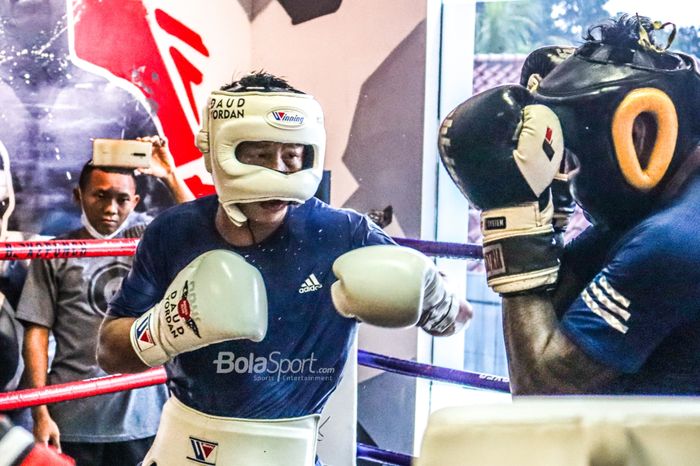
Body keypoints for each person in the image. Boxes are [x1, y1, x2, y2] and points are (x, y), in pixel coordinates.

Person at [96, 71, 472, 466]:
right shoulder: (175, 231)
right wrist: (168, 326)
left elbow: (458, 317)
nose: (278, 173)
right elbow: (109, 352)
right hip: (181, 451)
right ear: (218, 152)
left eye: (292, 157)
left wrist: (428, 291)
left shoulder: (343, 233)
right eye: (257, 155)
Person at [437, 14, 700, 395]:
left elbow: (541, 394)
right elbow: (560, 313)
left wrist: (512, 217)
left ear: (638, 132)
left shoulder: (674, 240)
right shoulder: (660, 205)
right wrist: (544, 214)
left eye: (571, 159)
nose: (563, 174)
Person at [16, 136, 194, 464]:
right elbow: (37, 336)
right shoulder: (55, 252)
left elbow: (198, 233)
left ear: (136, 200)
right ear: (78, 195)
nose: (111, 209)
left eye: (122, 199)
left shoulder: (147, 241)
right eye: (100, 196)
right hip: (73, 417)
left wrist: (169, 173)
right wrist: (40, 413)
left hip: (142, 417)